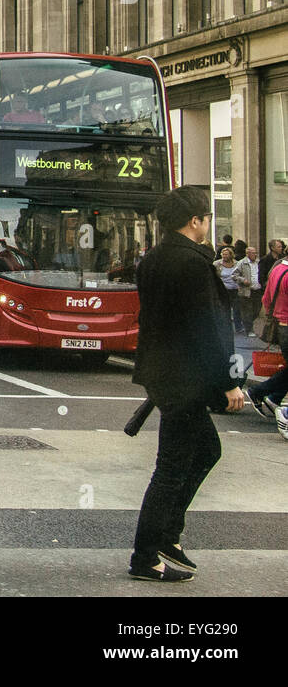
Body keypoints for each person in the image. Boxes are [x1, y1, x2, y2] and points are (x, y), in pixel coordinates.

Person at [129, 186, 243, 583]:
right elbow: (207, 328)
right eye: (207, 218)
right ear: (195, 221)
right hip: (184, 377)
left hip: (163, 372)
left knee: (206, 450)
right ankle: (147, 553)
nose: (208, 224)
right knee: (171, 468)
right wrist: (229, 382)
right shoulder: (193, 264)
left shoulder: (153, 260)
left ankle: (167, 536)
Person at [249, 254, 288, 418]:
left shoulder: (278, 269)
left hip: (280, 325)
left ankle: (274, 398)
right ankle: (259, 391)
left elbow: (266, 299)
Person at [213, 246, 242, 334]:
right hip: (224, 290)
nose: (224, 256)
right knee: (225, 309)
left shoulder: (237, 264)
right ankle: (226, 327)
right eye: (223, 254)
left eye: (226, 254)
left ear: (231, 255)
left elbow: (240, 274)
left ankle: (238, 327)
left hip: (235, 289)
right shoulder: (217, 264)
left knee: (237, 309)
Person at [235, 245, 260, 335]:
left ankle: (246, 322)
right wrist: (243, 280)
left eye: (256, 252)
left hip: (257, 290)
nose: (255, 254)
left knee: (257, 310)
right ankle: (249, 329)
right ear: (247, 254)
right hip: (246, 291)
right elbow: (234, 276)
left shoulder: (258, 262)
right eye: (253, 253)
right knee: (248, 311)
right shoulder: (241, 263)